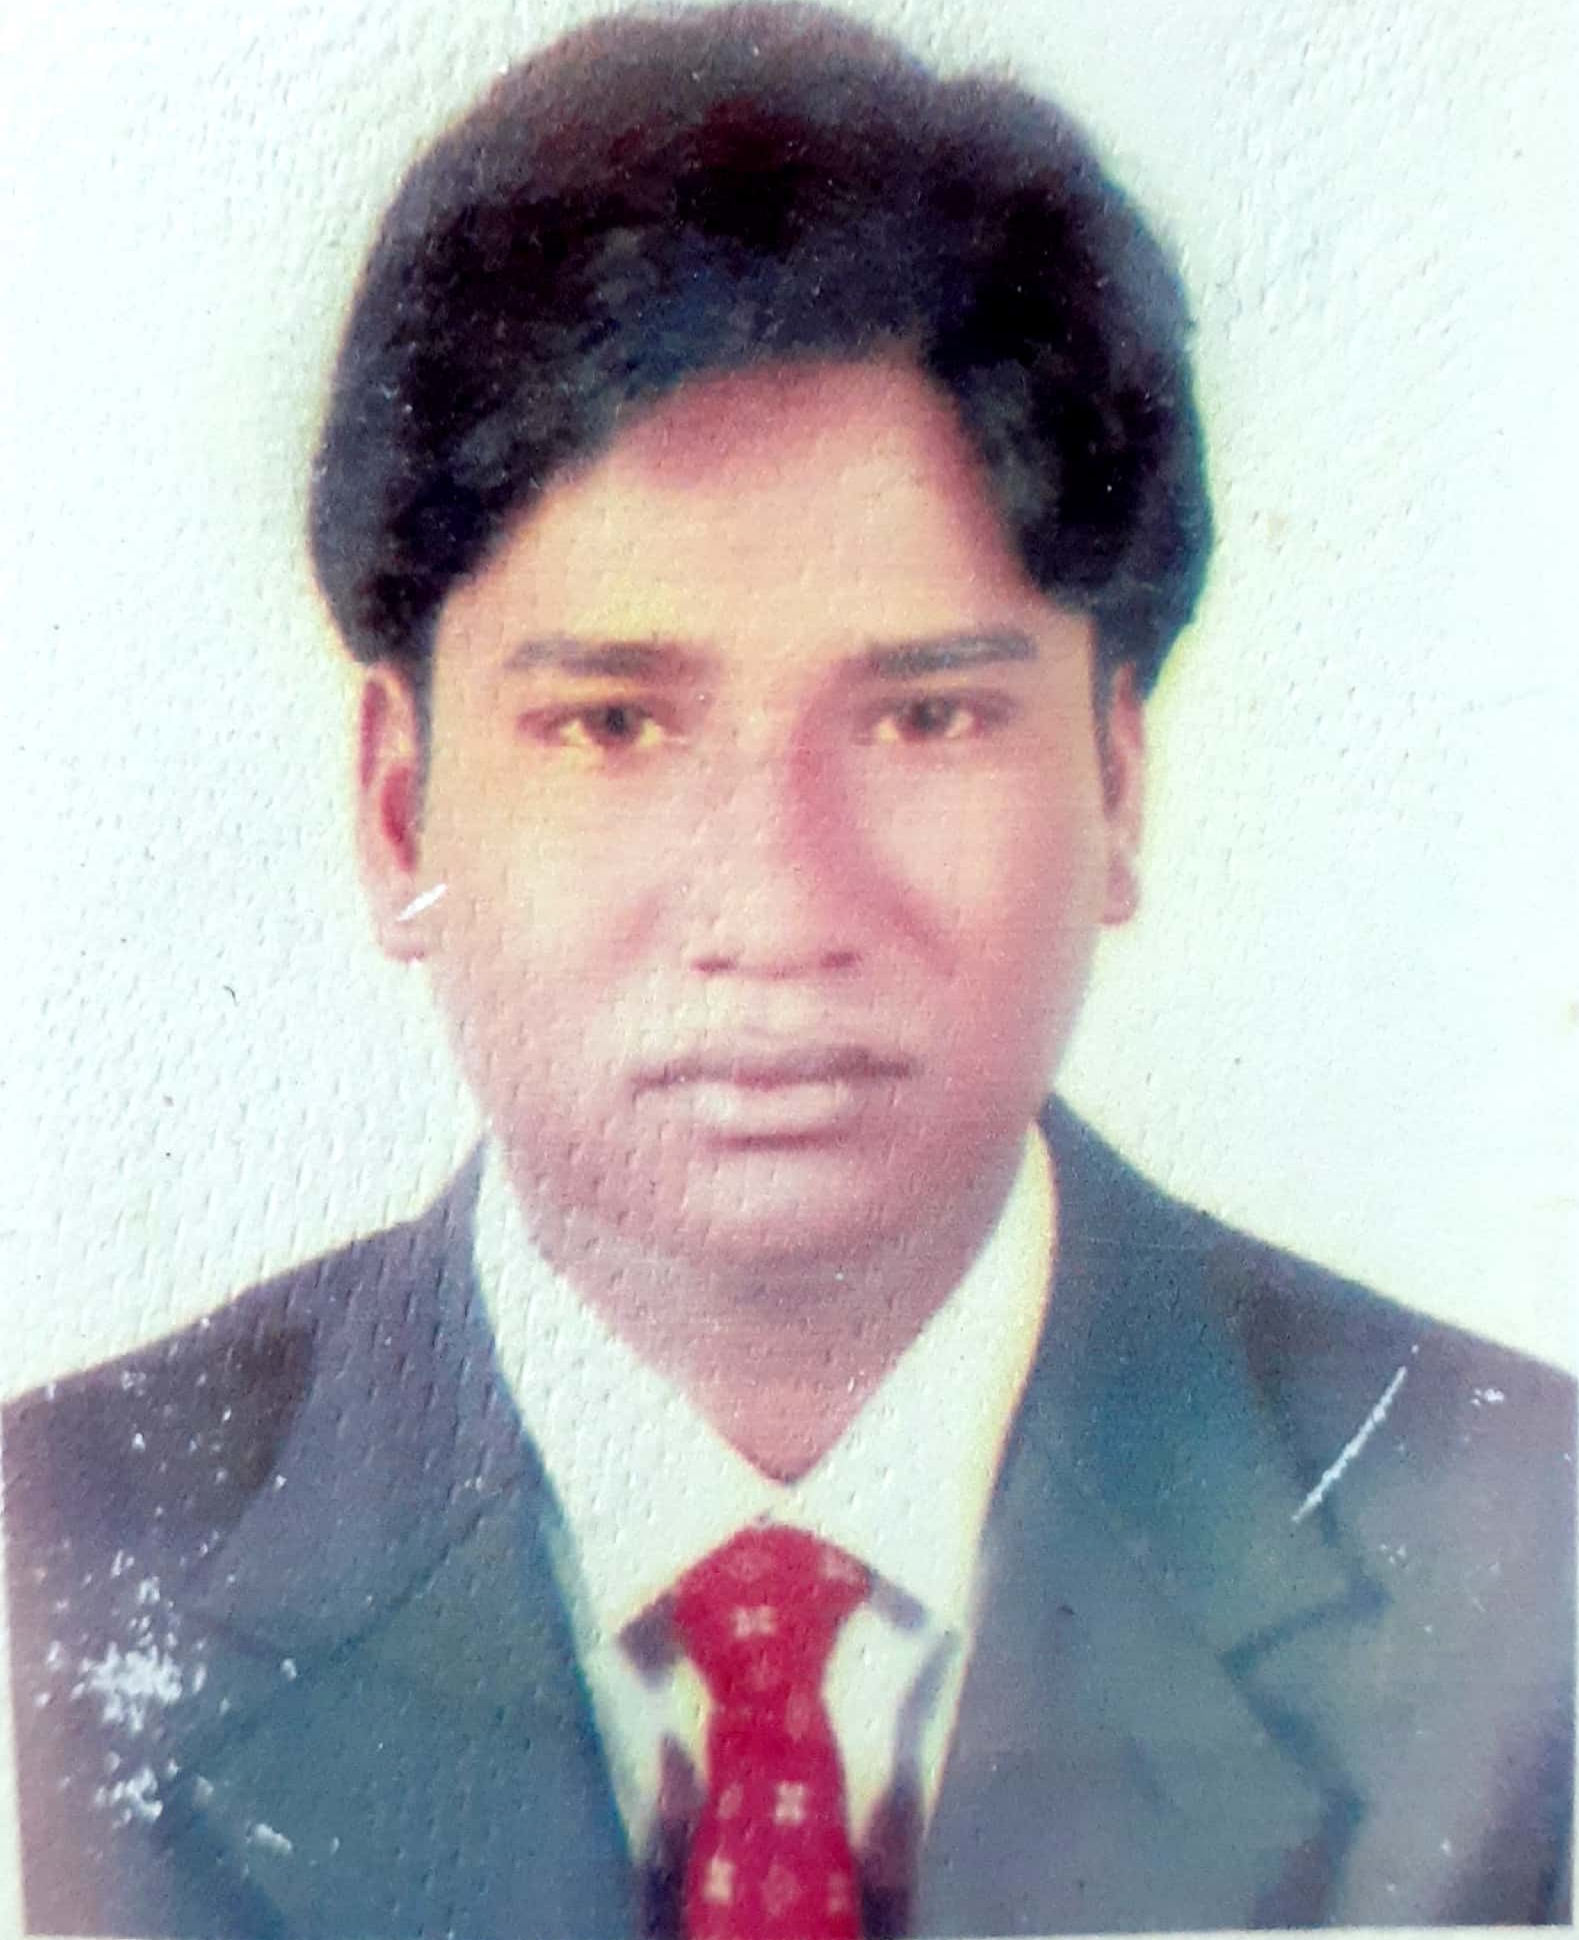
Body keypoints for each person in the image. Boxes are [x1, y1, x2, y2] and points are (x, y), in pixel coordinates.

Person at [3, 7, 1571, 1936]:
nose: (776, 903)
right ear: (401, 811)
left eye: (926, 720)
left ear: (1118, 781)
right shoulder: (57, 1564)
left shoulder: (1522, 1562)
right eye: (611, 726)